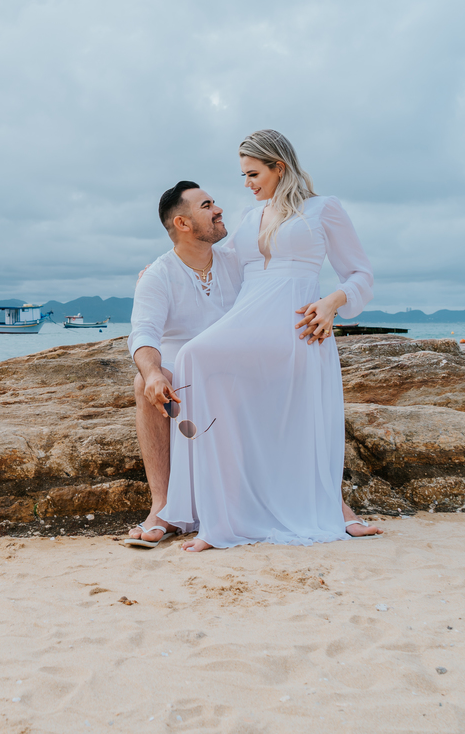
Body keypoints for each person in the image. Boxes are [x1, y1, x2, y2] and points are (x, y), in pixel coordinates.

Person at [160, 130, 384, 551]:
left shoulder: (323, 209)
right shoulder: (250, 216)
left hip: (297, 325)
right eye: (244, 175)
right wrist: (160, 272)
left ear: (278, 166)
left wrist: (332, 301)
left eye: (253, 173)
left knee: (301, 419)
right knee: (192, 359)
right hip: (249, 321)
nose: (247, 183)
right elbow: (217, 259)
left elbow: (361, 276)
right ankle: (216, 518)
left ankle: (335, 510)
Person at [125, 181, 241, 546]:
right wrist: (153, 372)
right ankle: (162, 505)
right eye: (207, 205)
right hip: (183, 370)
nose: (219, 209)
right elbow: (144, 334)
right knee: (144, 385)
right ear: (183, 224)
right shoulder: (158, 275)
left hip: (233, 366)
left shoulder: (237, 262)